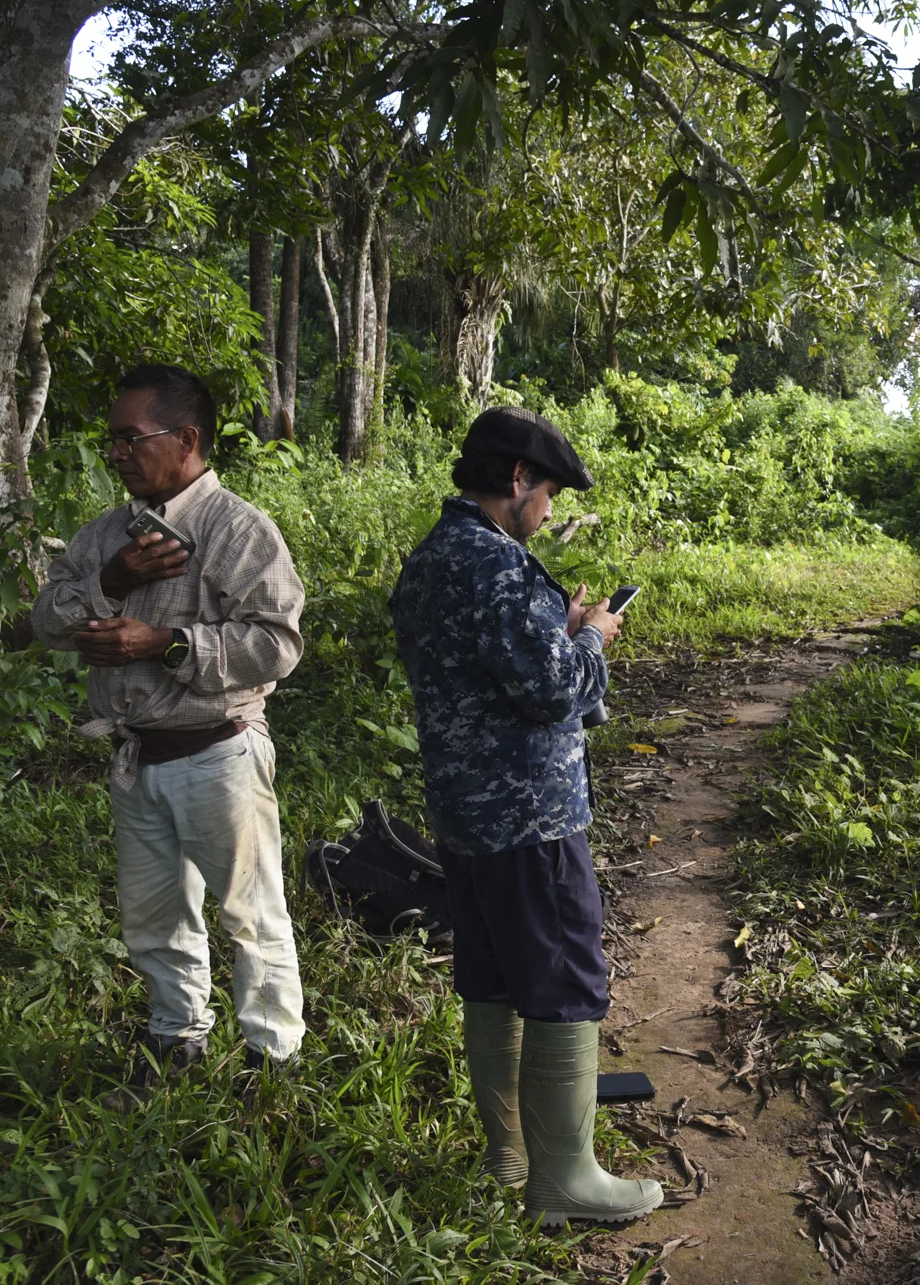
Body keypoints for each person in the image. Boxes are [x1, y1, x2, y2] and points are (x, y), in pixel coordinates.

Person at [391, 407, 661, 1226]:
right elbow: (549, 691)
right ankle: (566, 1178)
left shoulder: (433, 558)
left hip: (466, 814)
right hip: (530, 817)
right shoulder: (498, 566)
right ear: (517, 480)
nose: (546, 510)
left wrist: (559, 628)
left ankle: (509, 1155)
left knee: (494, 979)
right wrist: (594, 639)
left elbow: (483, 667)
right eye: (545, 493)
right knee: (563, 981)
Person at [31, 364, 307, 1101]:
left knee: (249, 914)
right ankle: (174, 1042)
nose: (116, 453)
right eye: (112, 439)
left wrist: (165, 641)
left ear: (186, 439)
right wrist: (111, 580)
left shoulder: (237, 529)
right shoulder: (106, 535)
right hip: (137, 757)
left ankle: (272, 1066)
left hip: (216, 750)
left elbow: (276, 643)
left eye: (131, 438)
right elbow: (47, 619)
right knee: (154, 916)